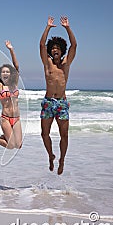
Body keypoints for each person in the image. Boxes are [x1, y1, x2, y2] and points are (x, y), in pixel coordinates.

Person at [39, 16, 77, 175]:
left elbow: (74, 45)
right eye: (53, 48)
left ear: (61, 50)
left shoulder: (66, 63)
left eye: (58, 48)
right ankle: (50, 155)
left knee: (64, 135)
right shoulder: (47, 62)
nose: (55, 49)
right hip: (48, 102)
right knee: (44, 134)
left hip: (61, 103)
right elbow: (41, 44)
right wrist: (47, 27)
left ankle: (62, 159)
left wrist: (68, 28)